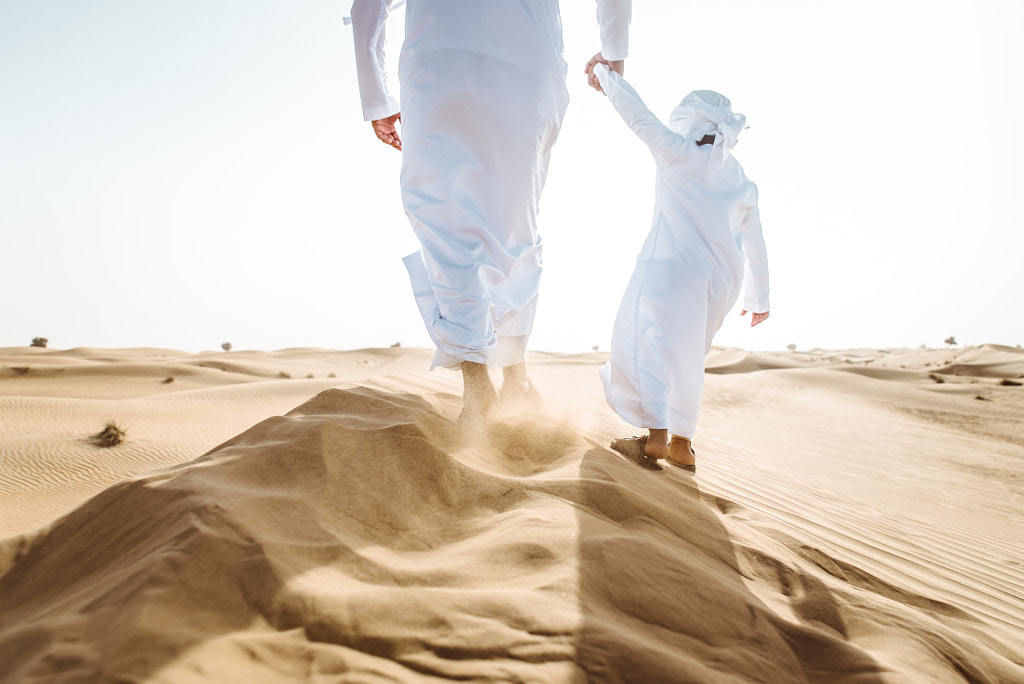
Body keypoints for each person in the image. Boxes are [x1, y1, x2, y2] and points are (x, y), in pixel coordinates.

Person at [350, 0, 631, 423]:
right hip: (528, 65)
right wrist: (614, 48)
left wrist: (375, 99)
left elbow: (367, 8)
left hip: (438, 65)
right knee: (514, 221)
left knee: (442, 222)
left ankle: (477, 382)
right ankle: (515, 375)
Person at [591, 63, 770, 473]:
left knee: (641, 340)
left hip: (670, 267)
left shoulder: (678, 153)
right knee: (688, 356)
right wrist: (759, 297)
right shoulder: (742, 180)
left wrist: (606, 77)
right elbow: (755, 241)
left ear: (689, 122)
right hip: (721, 280)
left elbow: (639, 118)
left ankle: (654, 438)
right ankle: (682, 446)